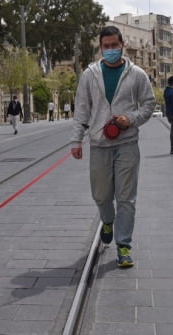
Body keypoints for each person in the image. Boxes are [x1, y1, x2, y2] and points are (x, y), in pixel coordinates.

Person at [70, 25, 156, 268]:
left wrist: (132, 119)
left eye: (114, 46)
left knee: (126, 198)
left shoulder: (137, 74)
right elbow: (82, 109)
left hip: (127, 143)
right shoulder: (89, 75)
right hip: (99, 144)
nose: (110, 50)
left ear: (122, 46)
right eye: (105, 47)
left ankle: (124, 245)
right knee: (101, 195)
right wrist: (76, 140)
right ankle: (107, 220)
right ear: (100, 48)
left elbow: (149, 104)